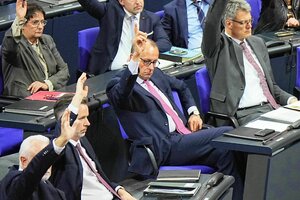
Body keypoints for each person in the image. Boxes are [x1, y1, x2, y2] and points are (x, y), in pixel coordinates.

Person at [106, 28, 244, 200]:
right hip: (163, 146)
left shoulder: (156, 74)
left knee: (225, 153)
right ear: (133, 59)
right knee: (225, 133)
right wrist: (135, 62)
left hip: (183, 136)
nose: (151, 67)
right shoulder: (117, 84)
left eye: (155, 62)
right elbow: (122, 94)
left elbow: (182, 87)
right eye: (146, 62)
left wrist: (193, 112)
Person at [202, 0, 298, 126]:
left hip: (271, 109)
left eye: (250, 21)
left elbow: (271, 87)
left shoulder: (257, 43)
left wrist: (291, 100)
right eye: (243, 23)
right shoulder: (217, 48)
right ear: (229, 23)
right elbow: (211, 23)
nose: (249, 26)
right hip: (242, 115)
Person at [49, 73, 135, 200]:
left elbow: (98, 176)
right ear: (66, 120)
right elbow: (62, 129)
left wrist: (119, 190)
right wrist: (77, 97)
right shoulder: (60, 150)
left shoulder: (82, 141)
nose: (88, 123)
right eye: (82, 118)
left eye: (87, 117)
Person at [0, 108, 79, 200]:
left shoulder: (56, 192)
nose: (47, 165)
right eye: (40, 158)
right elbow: (33, 173)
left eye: (49, 162)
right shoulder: (14, 183)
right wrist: (61, 141)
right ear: (24, 160)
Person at [77, 0, 172, 75]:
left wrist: (145, 46)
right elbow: (87, 2)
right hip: (108, 73)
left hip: (138, 71)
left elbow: (165, 43)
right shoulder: (109, 12)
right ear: (121, 1)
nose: (138, 2)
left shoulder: (151, 18)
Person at [1, 0, 69, 97]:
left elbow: (64, 70)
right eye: (35, 22)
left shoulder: (47, 40)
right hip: (24, 99)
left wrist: (47, 83)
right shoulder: (14, 45)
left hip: (50, 94)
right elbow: (10, 47)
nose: (40, 26)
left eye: (42, 22)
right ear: (23, 25)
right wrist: (19, 19)